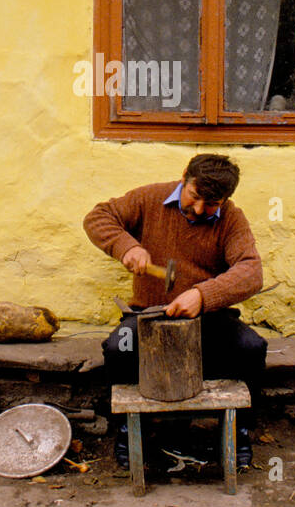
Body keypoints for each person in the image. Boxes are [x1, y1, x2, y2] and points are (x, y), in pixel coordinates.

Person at [83, 153, 267, 470]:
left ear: (225, 199)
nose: (198, 210)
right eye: (195, 197)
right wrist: (127, 246)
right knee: (118, 349)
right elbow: (97, 217)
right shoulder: (149, 198)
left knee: (251, 348)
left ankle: (238, 429)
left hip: (207, 317)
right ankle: (130, 429)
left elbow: (251, 272)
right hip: (148, 314)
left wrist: (202, 294)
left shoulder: (232, 219)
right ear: (185, 178)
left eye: (211, 205)